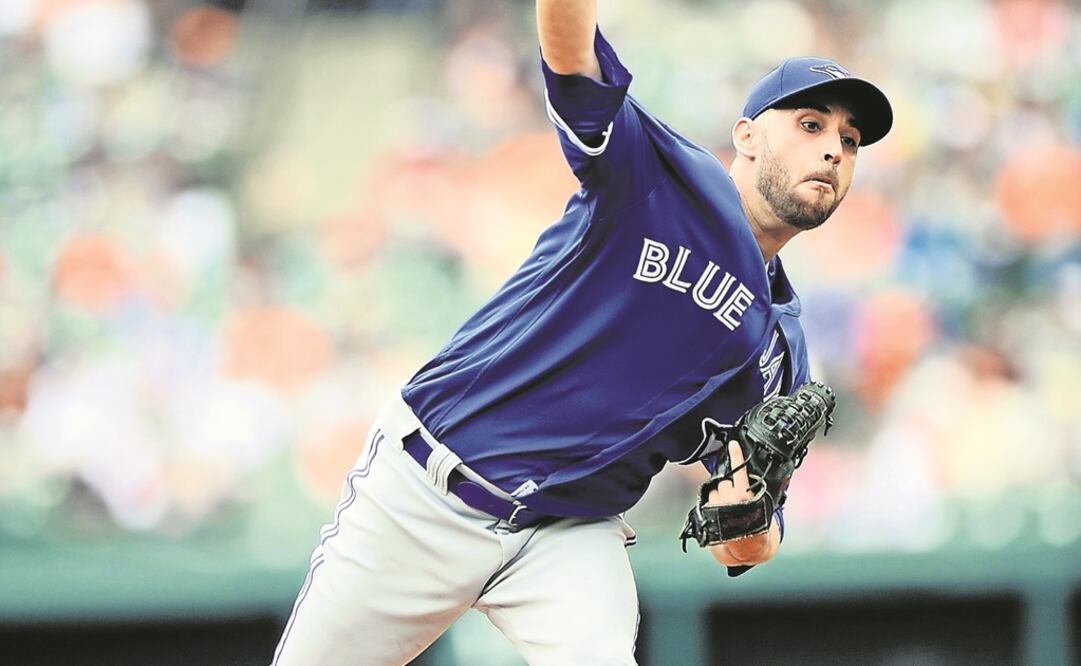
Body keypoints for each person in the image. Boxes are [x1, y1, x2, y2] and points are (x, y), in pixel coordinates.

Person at [271, 2, 892, 664]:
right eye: (808, 123)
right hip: (429, 490)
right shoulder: (661, 176)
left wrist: (746, 515)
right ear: (745, 136)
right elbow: (571, 55)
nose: (832, 148)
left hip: (568, 534)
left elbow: (743, 547)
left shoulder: (780, 348)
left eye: (849, 141)